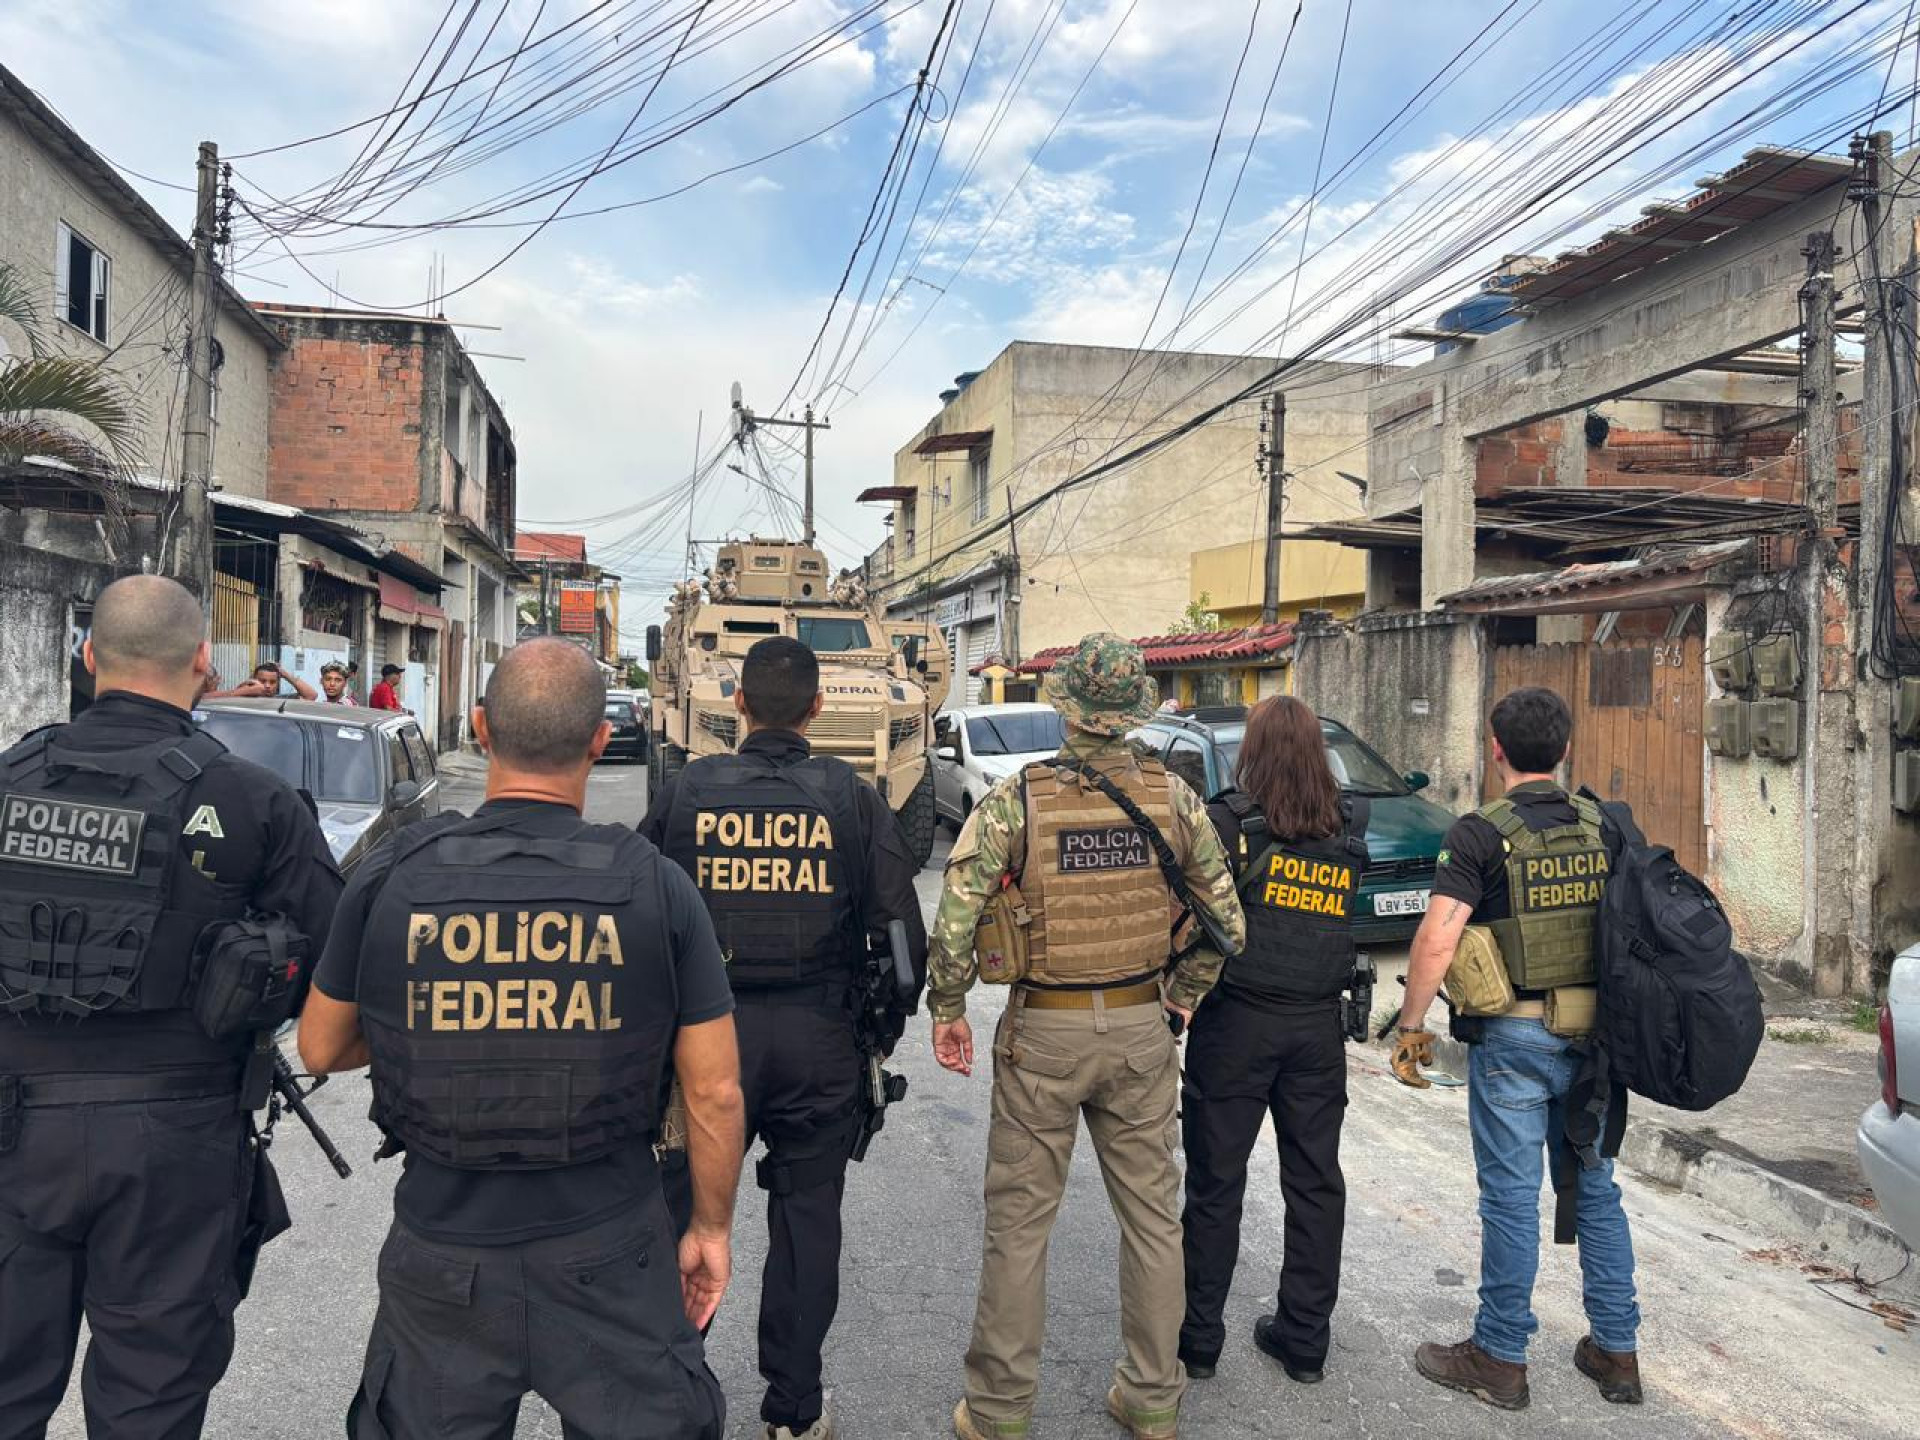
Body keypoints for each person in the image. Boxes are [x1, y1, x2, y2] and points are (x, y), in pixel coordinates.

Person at [298, 638, 742, 1439]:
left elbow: (321, 1047)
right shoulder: (656, 884)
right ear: (600, 741)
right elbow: (713, 1090)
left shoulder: (396, 870)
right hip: (611, 1241)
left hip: (443, 1247)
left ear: (479, 727)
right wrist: (708, 1229)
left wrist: (435, 1029)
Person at [0, 574, 343, 1438]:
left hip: (9, 1128)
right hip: (177, 1142)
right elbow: (335, 961)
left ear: (86, 656)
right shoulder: (253, 800)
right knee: (150, 1403)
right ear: (202, 662)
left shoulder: (8, 779)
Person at [927, 633, 1246, 1440]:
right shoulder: (1174, 799)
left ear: (1067, 707)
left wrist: (948, 1008)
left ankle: (999, 1411)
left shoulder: (1021, 797)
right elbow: (1225, 923)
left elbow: (957, 912)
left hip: (1045, 1032)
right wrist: (1181, 996)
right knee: (1152, 1218)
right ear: (1134, 712)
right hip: (1141, 1029)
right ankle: (1150, 1399)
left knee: (1020, 1224)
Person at [641, 635, 928, 1440]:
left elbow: (633, 916)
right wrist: (875, 1039)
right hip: (817, 1041)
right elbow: (904, 945)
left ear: (737, 706)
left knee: (681, 1220)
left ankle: (668, 1397)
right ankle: (794, 1412)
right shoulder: (851, 796)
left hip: (701, 1044)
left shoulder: (689, 790)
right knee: (807, 1224)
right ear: (816, 709)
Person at [1391, 686, 1640, 1412]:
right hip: (1596, 1041)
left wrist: (1411, 1028)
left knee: (1509, 1198)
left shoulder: (1479, 833)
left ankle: (1500, 1357)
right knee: (1596, 1188)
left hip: (1515, 1037)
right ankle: (1616, 1351)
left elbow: (1438, 937)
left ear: (1495, 748)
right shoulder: (1606, 825)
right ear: (1563, 749)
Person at [1177, 695, 1370, 1387]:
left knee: (1214, 1183)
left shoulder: (1229, 822)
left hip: (1236, 1027)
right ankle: (1305, 1340)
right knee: (1316, 1183)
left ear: (1251, 751)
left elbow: (1194, 917)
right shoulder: (1349, 823)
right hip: (1317, 1029)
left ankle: (1198, 1340)